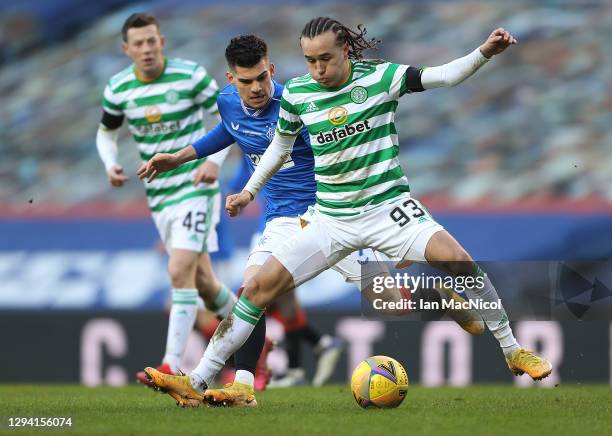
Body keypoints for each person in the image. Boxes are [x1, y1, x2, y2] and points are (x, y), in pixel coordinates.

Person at [139, 33, 486, 407]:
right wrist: (180, 157)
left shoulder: (302, 101)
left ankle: (437, 298)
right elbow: (229, 131)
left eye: (261, 77)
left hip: (329, 216)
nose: (256, 88)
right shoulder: (228, 104)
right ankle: (237, 385)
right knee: (251, 292)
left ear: (270, 69)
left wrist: (385, 223)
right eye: (246, 81)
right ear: (231, 80)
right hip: (279, 221)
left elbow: (355, 149)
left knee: (391, 304)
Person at [95, 12, 240, 385]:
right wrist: (110, 164)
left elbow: (233, 117)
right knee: (205, 283)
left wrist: (214, 161)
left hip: (195, 186)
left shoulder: (190, 76)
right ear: (126, 49)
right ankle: (257, 339)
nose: (146, 49)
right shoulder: (118, 89)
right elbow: (106, 134)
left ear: (163, 41)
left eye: (151, 41)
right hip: (159, 196)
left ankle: (170, 365)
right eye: (138, 44)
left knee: (179, 271)